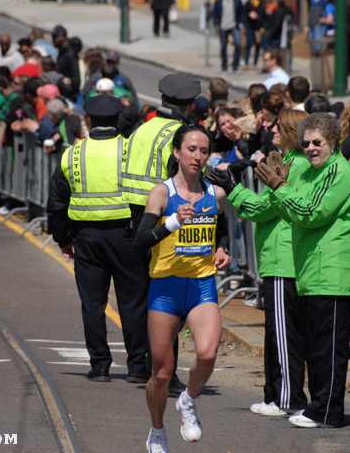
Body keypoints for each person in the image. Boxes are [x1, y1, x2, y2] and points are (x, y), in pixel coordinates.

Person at [255, 112, 350, 429]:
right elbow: (294, 211)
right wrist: (282, 188)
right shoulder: (313, 174)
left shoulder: (339, 172)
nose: (311, 148)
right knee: (316, 350)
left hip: (334, 271)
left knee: (329, 349)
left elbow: (311, 211)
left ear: (333, 141)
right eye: (306, 143)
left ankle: (328, 411)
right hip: (312, 271)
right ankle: (319, 406)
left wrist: (279, 187)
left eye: (318, 142)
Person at [133, 124, 231, 453]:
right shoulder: (162, 194)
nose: (198, 156)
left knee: (207, 353)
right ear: (177, 153)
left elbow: (222, 226)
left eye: (203, 151)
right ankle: (157, 430)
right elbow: (140, 240)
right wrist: (172, 222)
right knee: (162, 373)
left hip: (201, 284)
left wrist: (221, 248)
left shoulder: (214, 194)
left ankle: (188, 401)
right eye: (191, 149)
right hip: (165, 286)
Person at [207, 109, 310, 418]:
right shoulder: (291, 162)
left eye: (279, 128)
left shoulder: (297, 165)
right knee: (279, 333)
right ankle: (276, 394)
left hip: (282, 260)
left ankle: (286, 398)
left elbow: (266, 208)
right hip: (279, 259)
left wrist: (232, 187)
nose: (272, 131)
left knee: (282, 334)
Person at [46, 95, 151, 384]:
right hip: (128, 236)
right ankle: (137, 367)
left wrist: (63, 239)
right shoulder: (131, 150)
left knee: (93, 304)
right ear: (118, 121)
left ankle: (100, 366)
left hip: (87, 238)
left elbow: (56, 202)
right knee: (133, 303)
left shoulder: (72, 154)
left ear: (88, 121)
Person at [122, 72, 202, 397]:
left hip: (134, 217)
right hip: (165, 220)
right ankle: (165, 373)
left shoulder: (143, 128)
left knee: (140, 296)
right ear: (190, 104)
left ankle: (138, 366)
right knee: (170, 299)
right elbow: (184, 176)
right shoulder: (179, 133)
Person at [212, 0, 243, 74]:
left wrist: (241, 24)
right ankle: (224, 66)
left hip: (234, 25)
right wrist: (216, 24)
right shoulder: (219, 0)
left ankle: (235, 66)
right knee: (223, 47)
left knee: (237, 44)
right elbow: (215, 13)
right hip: (223, 26)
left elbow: (241, 12)